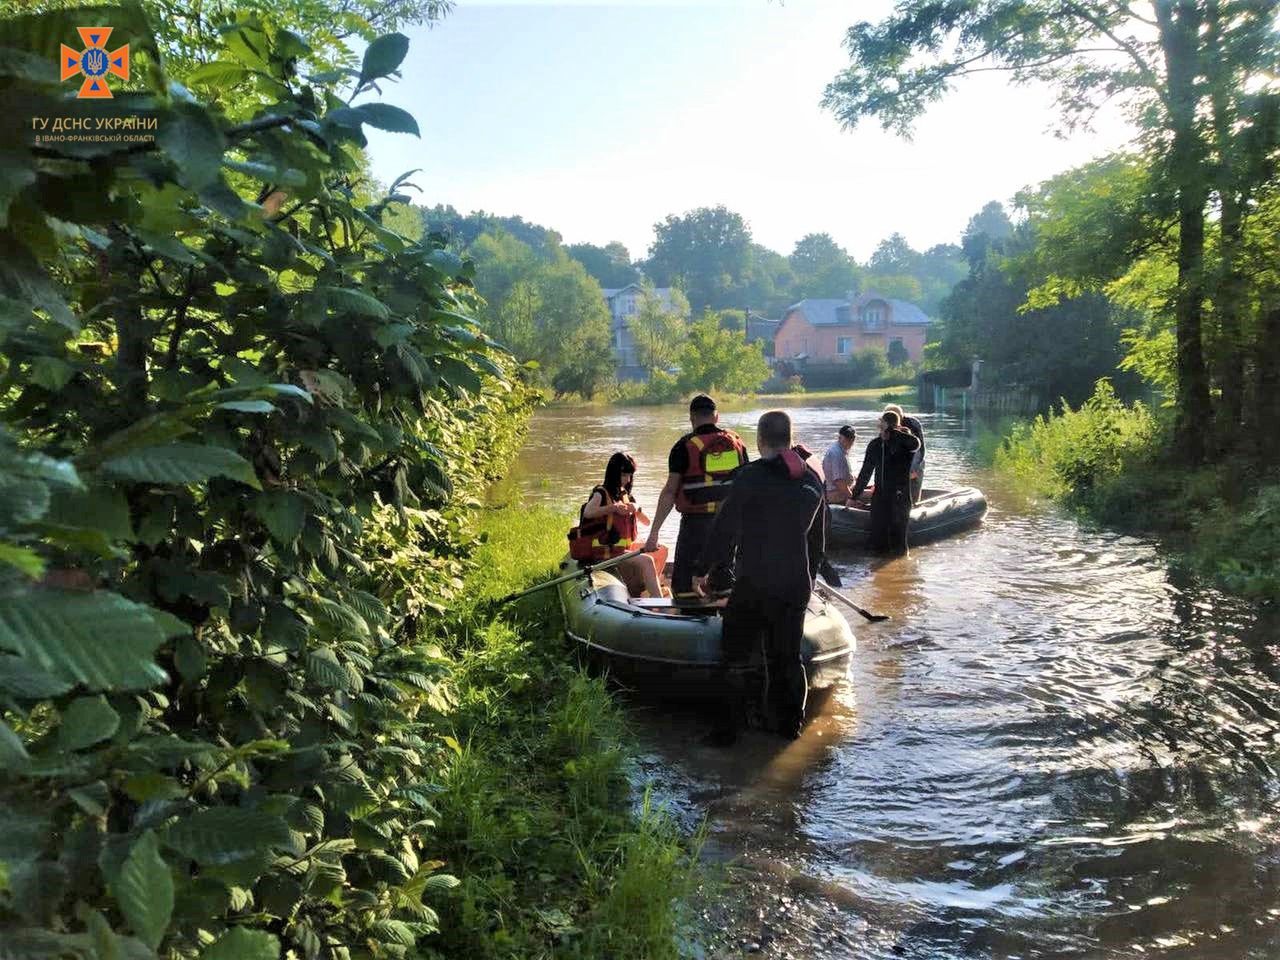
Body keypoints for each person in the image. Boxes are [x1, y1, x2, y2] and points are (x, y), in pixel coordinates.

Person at [692, 410, 826, 744]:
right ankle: (789, 729)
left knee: (735, 657)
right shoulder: (811, 479)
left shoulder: (749, 477)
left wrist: (703, 570)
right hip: (795, 584)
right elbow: (818, 539)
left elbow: (724, 529)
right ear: (791, 438)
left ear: (760, 440)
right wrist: (810, 578)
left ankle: (727, 732)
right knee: (788, 659)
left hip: (755, 581)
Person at [644, 394, 749, 597]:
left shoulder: (683, 447)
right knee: (725, 579)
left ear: (691, 418)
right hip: (730, 523)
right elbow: (747, 485)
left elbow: (669, 492)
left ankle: (688, 614)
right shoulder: (736, 443)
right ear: (716, 417)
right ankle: (725, 615)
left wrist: (654, 533)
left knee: (685, 587)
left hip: (695, 524)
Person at [574, 452, 668, 598]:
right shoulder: (600, 493)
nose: (628, 479)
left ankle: (645, 588)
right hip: (606, 552)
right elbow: (588, 512)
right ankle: (660, 603)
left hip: (621, 550)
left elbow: (646, 521)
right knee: (647, 560)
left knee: (661, 551)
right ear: (614, 473)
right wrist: (613, 508)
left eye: (630, 475)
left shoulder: (626, 495)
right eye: (624, 475)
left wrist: (636, 508)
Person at [848, 410, 921, 557]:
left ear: (893, 427)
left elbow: (916, 444)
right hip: (881, 498)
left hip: (900, 498)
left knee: (899, 543)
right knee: (878, 542)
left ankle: (900, 573)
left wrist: (894, 433)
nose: (881, 431)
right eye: (880, 428)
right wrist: (854, 496)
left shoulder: (905, 444)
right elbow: (865, 473)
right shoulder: (875, 445)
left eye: (883, 427)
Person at [884, 403, 926, 504]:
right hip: (899, 465)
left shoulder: (912, 424)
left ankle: (915, 505)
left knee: (913, 490)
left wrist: (913, 470)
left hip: (916, 462)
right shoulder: (886, 428)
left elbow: (919, 449)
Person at [821, 425, 857, 504]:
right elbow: (839, 482)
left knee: (870, 491)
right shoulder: (837, 454)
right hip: (835, 495)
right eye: (846, 438)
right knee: (872, 495)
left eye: (851, 438)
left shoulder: (840, 449)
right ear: (839, 437)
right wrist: (852, 498)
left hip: (842, 489)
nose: (849, 441)